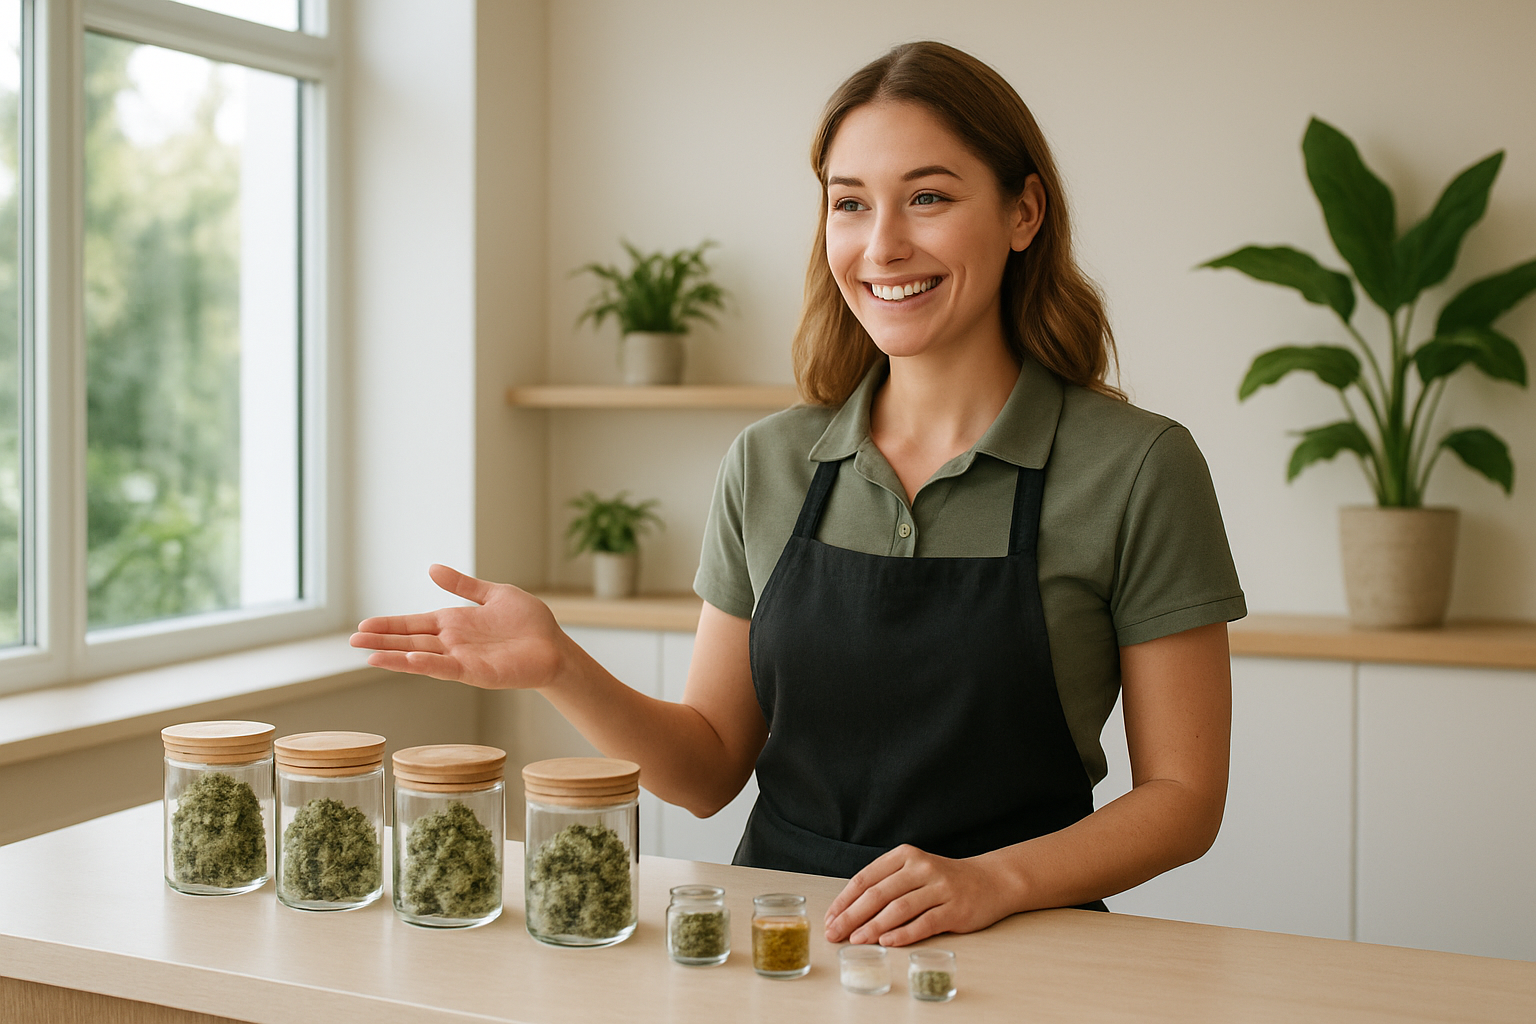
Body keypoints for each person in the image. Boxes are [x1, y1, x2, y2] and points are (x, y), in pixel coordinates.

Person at [351, 40, 1245, 949]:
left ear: (1024, 212)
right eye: (850, 203)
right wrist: (559, 666)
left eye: (927, 197)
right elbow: (706, 770)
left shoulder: (1137, 468)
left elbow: (1184, 798)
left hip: (1028, 950)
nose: (882, 244)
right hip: (781, 946)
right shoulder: (769, 462)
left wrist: (995, 880)